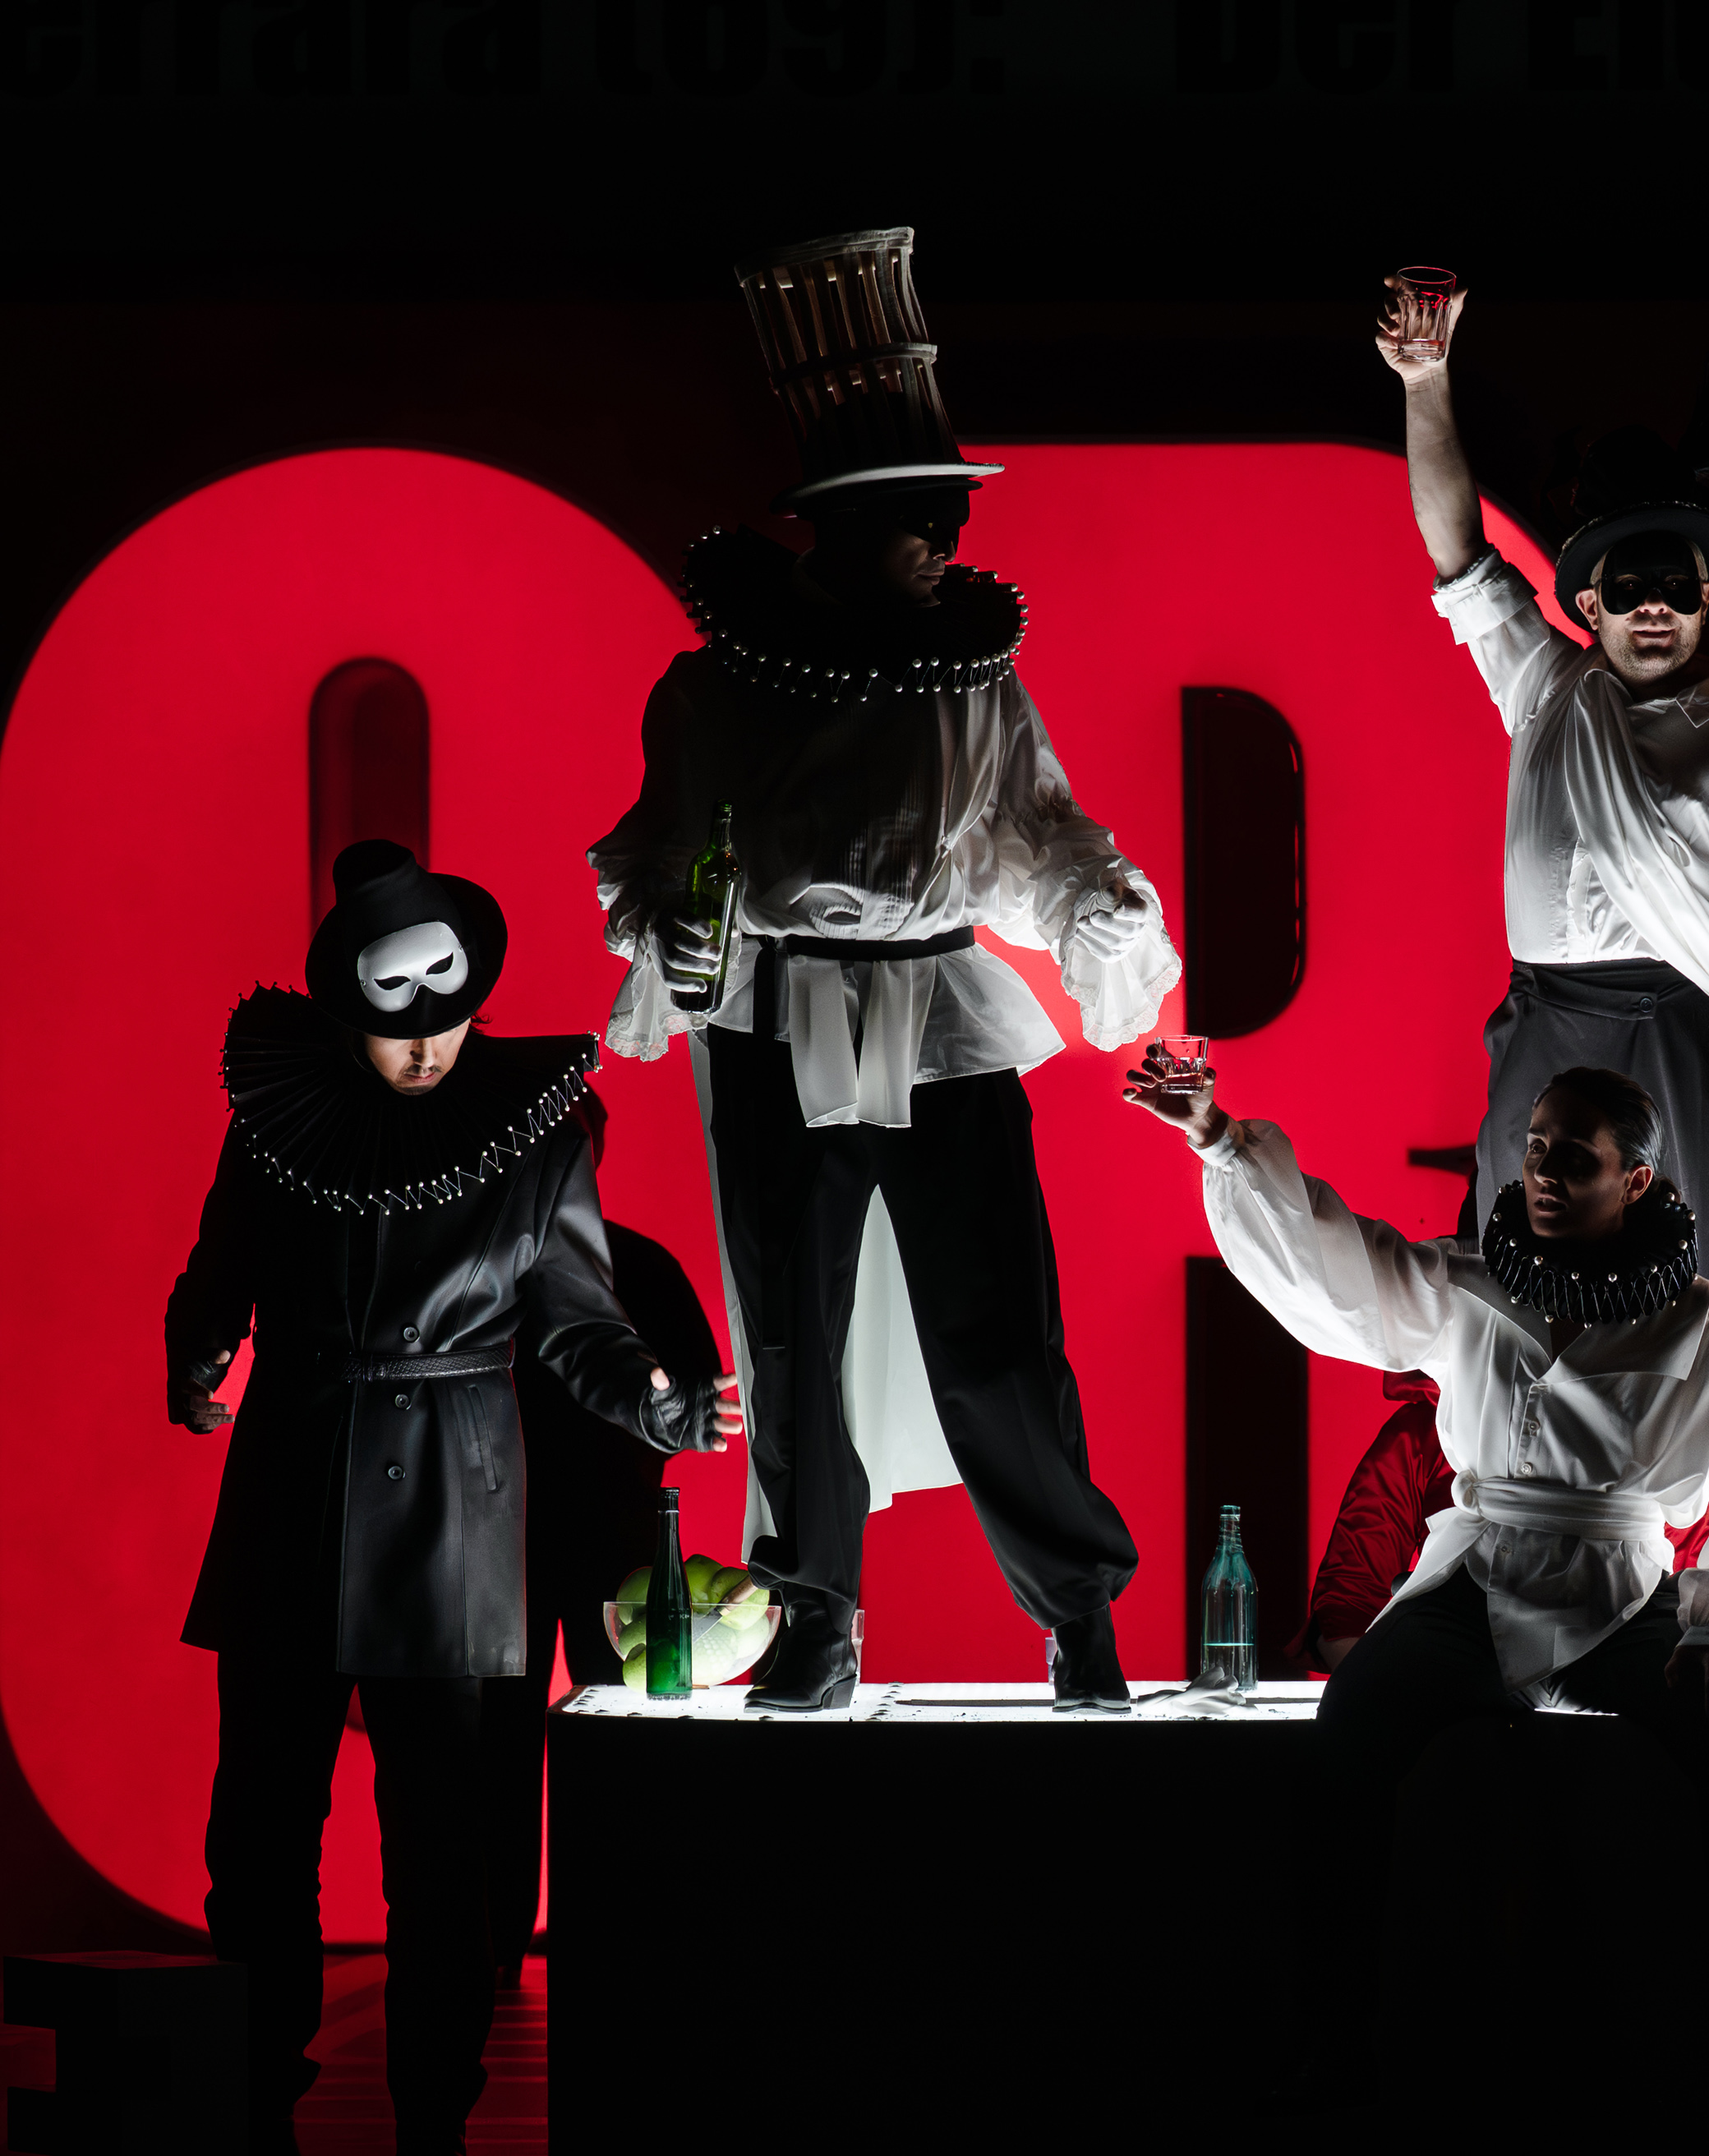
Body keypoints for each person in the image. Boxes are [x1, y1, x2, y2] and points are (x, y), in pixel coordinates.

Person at [589, 228, 1176, 1713]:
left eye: (951, 516)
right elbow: (657, 852)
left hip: (940, 1015)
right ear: (843, 528)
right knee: (791, 1338)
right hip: (776, 1019)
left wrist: (1098, 903)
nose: (948, 539)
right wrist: (673, 928)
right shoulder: (713, 687)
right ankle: (815, 1612)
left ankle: (1077, 1610)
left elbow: (1034, 833)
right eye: (923, 516)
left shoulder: (975, 680)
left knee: (998, 1333)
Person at [166, 843, 736, 2155]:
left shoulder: (533, 1132)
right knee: (259, 1829)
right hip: (295, 1478)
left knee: (443, 1842)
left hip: (452, 1509)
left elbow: (577, 1320)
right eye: (395, 1018)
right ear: (343, 1006)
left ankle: (436, 2114)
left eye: (449, 1009)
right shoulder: (278, 1117)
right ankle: (259, 2096)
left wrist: (656, 1402)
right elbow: (220, 1265)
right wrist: (197, 1353)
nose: (426, 1042)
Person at [1129, 1055, 1709, 2110]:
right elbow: (1336, 1266)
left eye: (1573, 1155)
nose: (1541, 1169)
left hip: (1620, 1591)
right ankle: (1333, 2045)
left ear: (1634, 1179)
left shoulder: (1705, 1320)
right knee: (1343, 1743)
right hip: (1474, 1577)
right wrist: (1219, 1137)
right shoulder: (1466, 1282)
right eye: (1534, 1147)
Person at [1375, 282, 1709, 1422]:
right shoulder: (1546, 689)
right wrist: (1426, 382)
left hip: (1687, 1040)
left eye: (1673, 585)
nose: (1652, 608)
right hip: (1545, 1027)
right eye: (1627, 589)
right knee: (1517, 1285)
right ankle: (1518, 1489)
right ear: (1587, 600)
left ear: (1706, 596)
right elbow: (1458, 551)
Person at [475, 1085, 724, 1977]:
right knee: (596, 1744)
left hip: (540, 1541)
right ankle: (595, 1941)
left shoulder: (489, 1272)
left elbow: (695, 1402)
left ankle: (511, 1946)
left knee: (527, 1749)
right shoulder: (638, 1264)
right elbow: (697, 1401)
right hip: (586, 1539)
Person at [1290, 1369, 1709, 1671]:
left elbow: (1706, 1575)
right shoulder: (1422, 1433)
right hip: (1463, 1672)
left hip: (1615, 1667)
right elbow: (1347, 1604)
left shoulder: (1654, 1425)